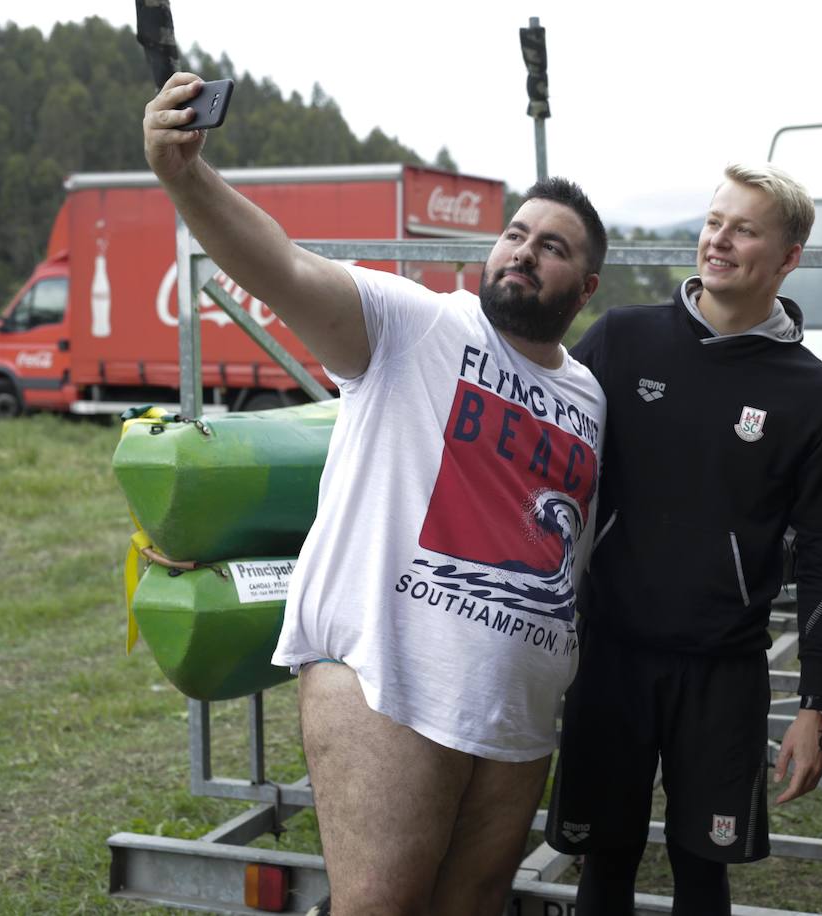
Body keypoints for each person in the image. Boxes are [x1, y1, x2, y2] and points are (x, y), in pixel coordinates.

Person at [144, 74, 610, 913]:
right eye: (516, 233)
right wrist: (187, 176)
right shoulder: (416, 325)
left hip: (517, 710)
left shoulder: (588, 396)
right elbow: (281, 264)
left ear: (587, 290)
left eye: (555, 247)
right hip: (387, 683)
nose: (525, 250)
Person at [545, 164, 822, 914]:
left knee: (702, 872)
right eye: (715, 221)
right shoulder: (622, 340)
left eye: (744, 229)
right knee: (603, 865)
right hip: (610, 653)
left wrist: (815, 704)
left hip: (724, 670)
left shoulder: (813, 394)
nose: (718, 240)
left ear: (788, 259)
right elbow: (543, 461)